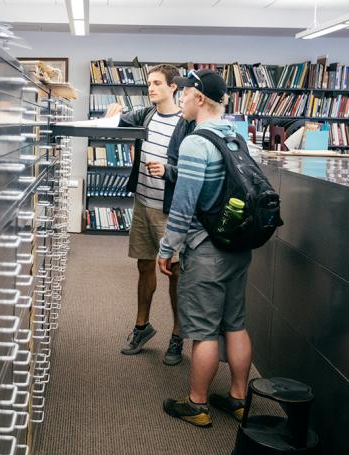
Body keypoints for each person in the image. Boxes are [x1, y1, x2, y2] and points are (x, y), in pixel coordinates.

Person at [156, 69, 253, 427]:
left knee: (203, 331)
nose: (180, 99)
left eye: (184, 94)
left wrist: (167, 248)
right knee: (236, 324)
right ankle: (239, 399)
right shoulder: (239, 138)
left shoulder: (195, 142)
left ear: (199, 98)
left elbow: (184, 205)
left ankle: (197, 403)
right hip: (239, 246)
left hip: (207, 248)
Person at [105, 64, 195, 365]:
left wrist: (168, 172)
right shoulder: (145, 114)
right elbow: (116, 123)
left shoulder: (186, 124)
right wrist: (111, 113)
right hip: (143, 205)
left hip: (169, 211)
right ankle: (142, 327)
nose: (151, 88)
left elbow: (195, 171)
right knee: (144, 266)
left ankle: (177, 335)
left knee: (174, 273)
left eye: (157, 83)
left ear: (173, 87)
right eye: (149, 83)